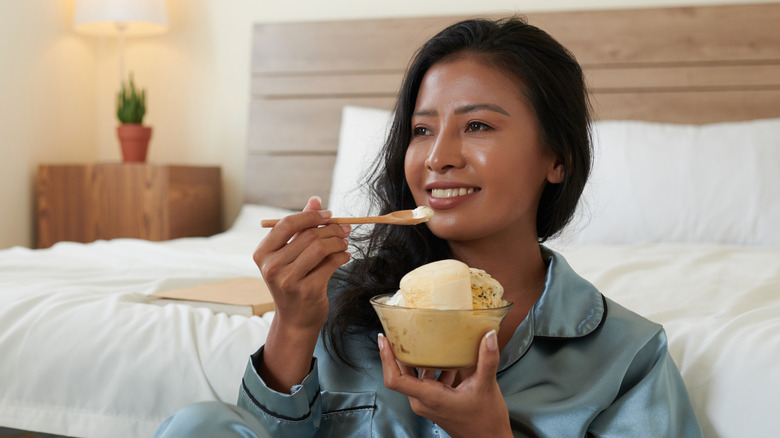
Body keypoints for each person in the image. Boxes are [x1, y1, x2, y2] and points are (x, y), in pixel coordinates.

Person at [155, 16, 702, 437]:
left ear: (557, 158)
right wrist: (295, 327)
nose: (437, 157)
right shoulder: (340, 303)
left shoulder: (627, 354)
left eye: (479, 125)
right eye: (421, 130)